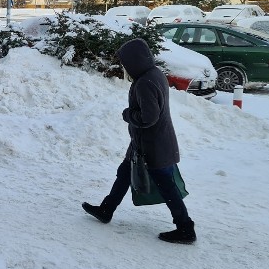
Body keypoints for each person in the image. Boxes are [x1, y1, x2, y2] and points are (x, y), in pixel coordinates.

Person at [82, 38, 196, 244]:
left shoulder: (145, 82)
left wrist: (128, 115)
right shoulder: (154, 74)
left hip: (153, 146)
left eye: (125, 62)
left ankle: (186, 228)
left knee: (167, 186)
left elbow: (148, 118)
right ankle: (106, 209)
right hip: (144, 143)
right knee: (124, 173)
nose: (124, 67)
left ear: (134, 61)